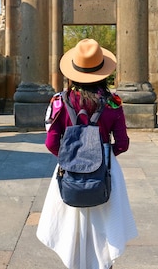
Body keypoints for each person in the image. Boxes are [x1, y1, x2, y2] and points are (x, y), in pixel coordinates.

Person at [37, 38, 138, 269]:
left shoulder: (58, 102)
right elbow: (122, 144)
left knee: (71, 226)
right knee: (105, 227)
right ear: (103, 73)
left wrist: (72, 156)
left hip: (69, 170)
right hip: (105, 171)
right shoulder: (113, 103)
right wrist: (102, 154)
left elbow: (51, 143)